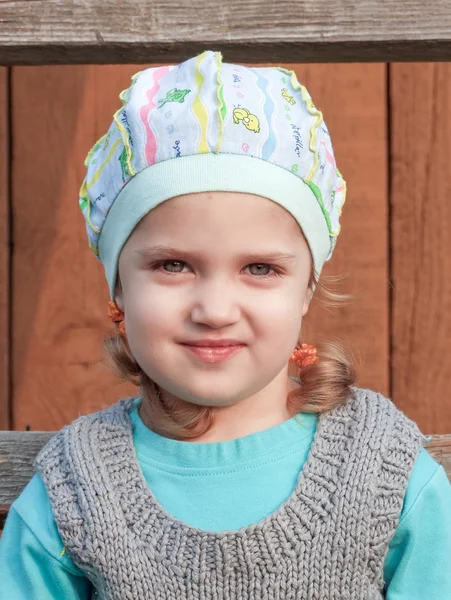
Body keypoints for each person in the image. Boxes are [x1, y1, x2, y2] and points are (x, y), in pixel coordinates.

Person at [0, 50, 450, 600]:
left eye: (260, 268)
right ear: (118, 286)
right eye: (173, 265)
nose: (214, 310)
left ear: (308, 287)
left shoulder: (384, 467)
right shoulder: (75, 487)